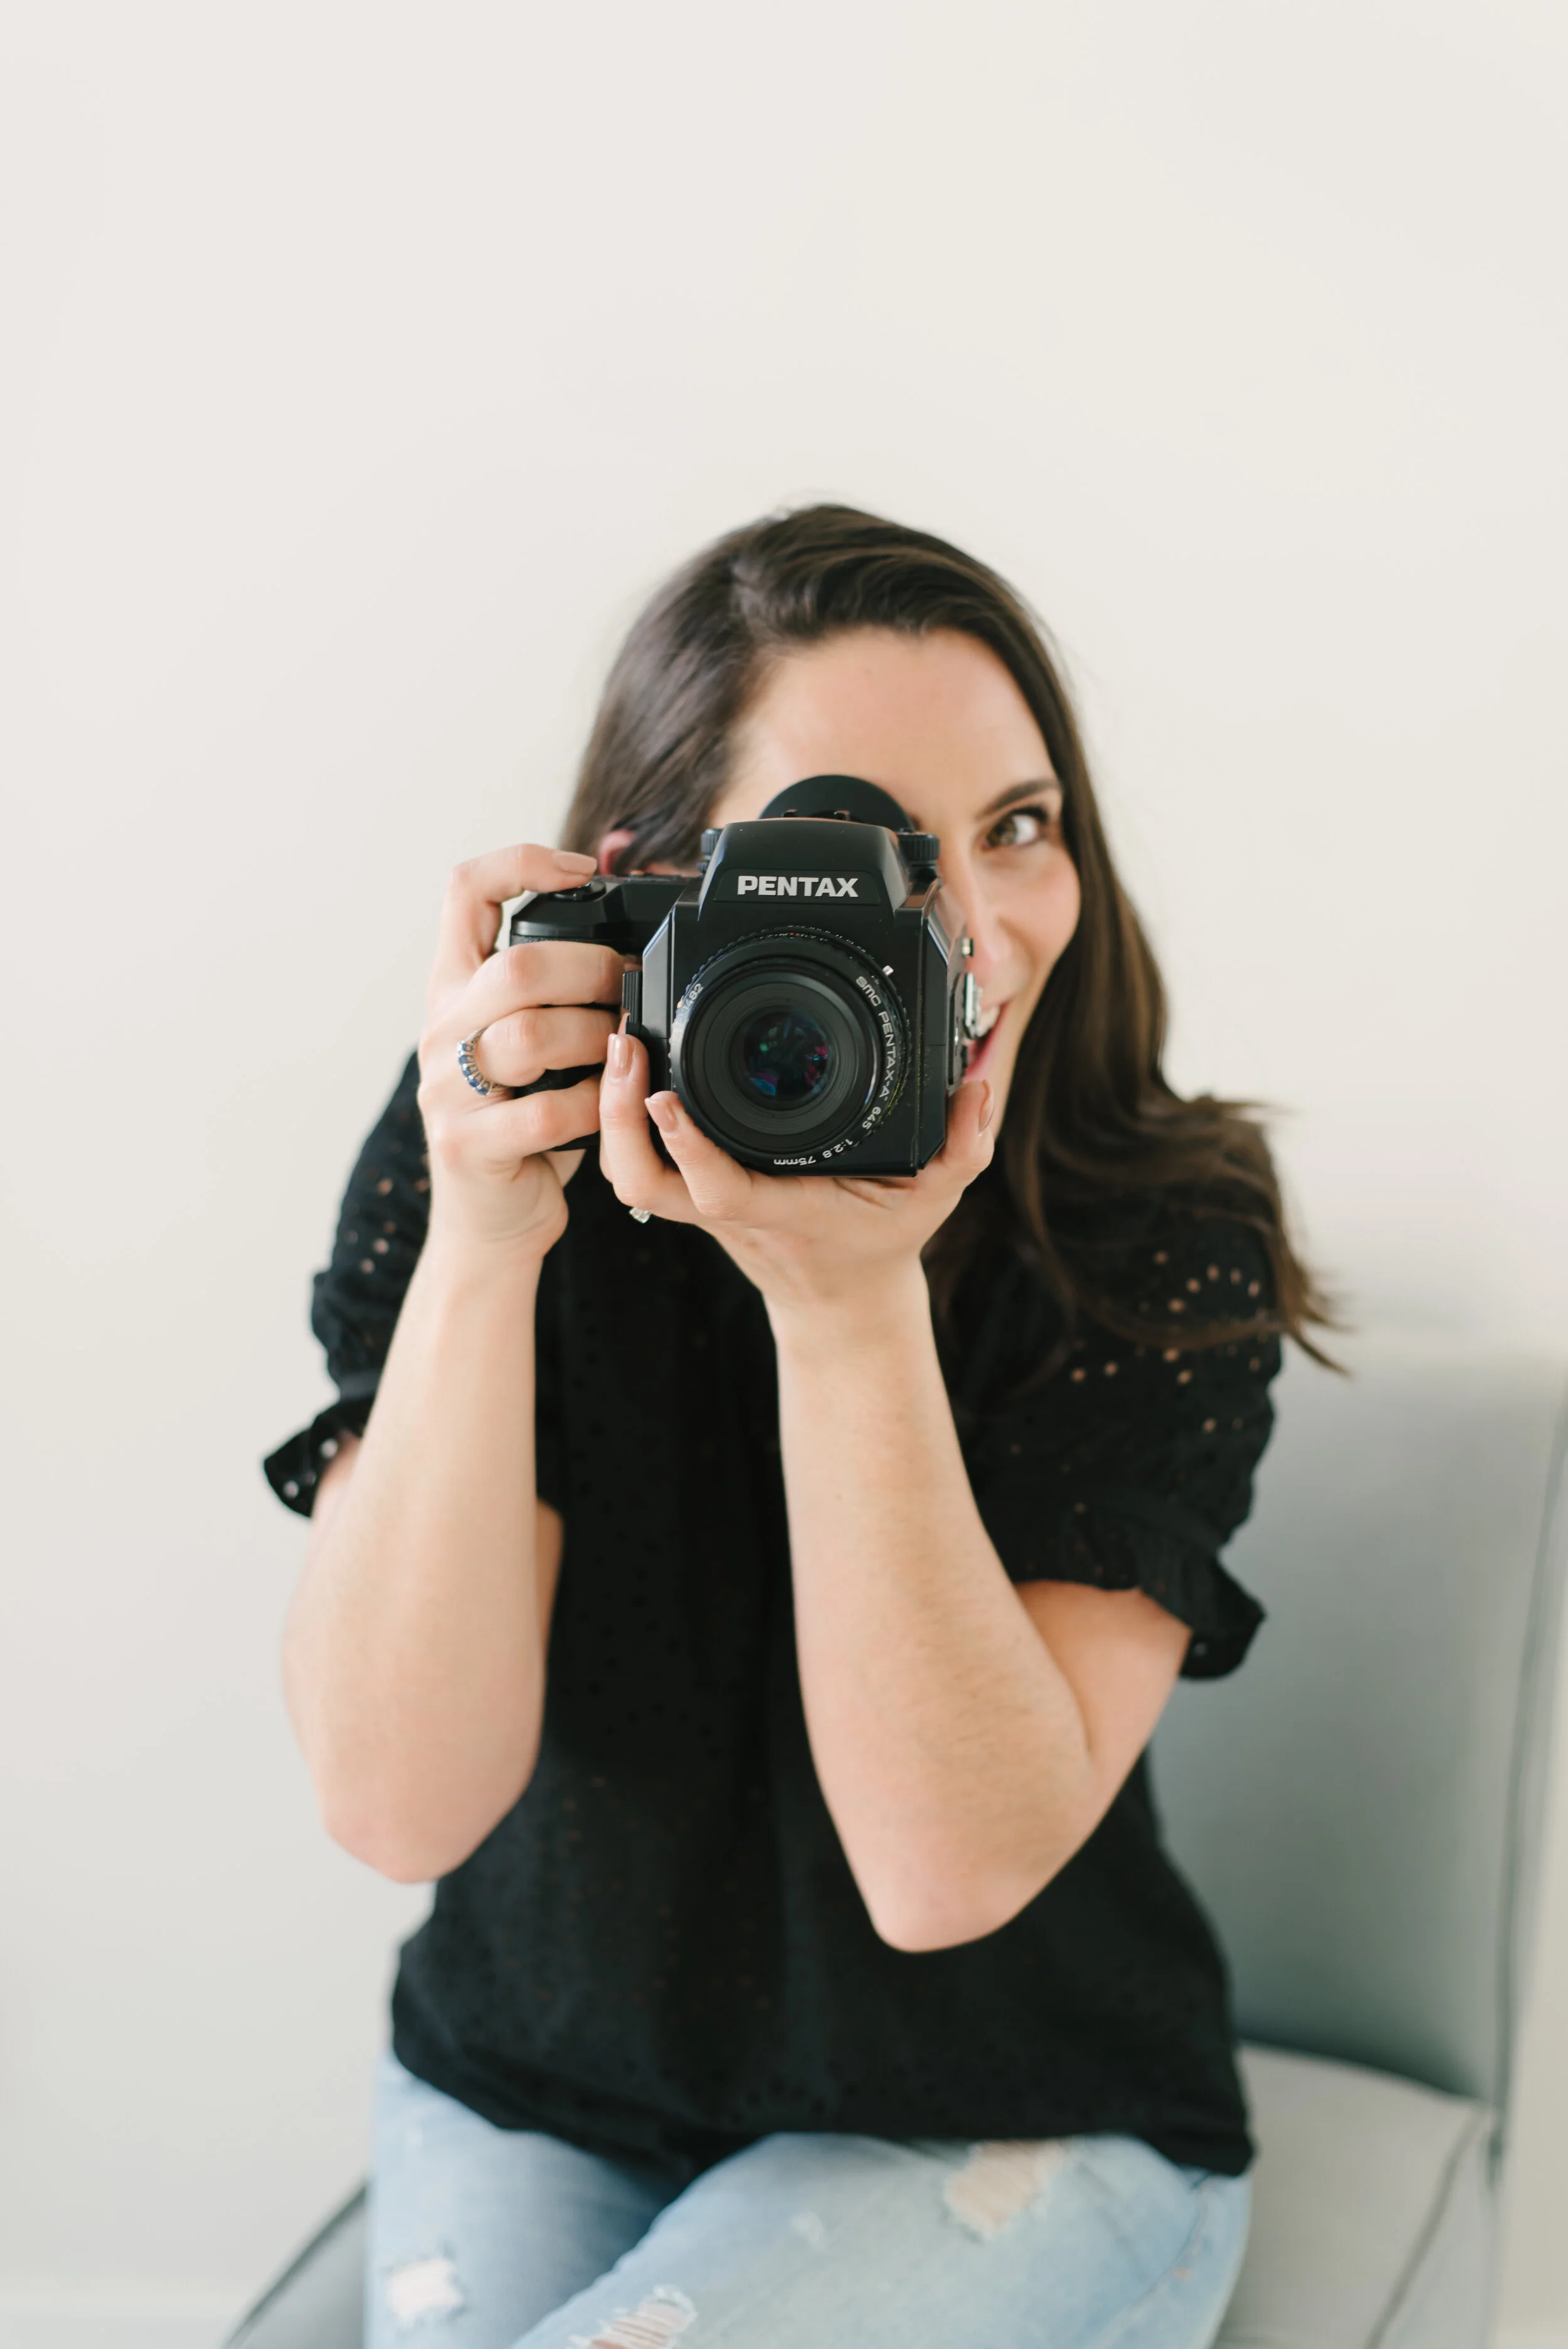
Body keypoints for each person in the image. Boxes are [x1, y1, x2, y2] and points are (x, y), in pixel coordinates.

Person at [265, 505, 1332, 2349]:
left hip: (1003, 2100)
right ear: (655, 885)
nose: (970, 926)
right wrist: (485, 1244)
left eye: (1018, 827)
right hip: (531, 2080)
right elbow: (395, 1801)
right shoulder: (502, 1136)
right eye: (871, 853)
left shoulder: (1162, 1222)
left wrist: (850, 1313)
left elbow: (944, 1875)